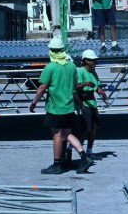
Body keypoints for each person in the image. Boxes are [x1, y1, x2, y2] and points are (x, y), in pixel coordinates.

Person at [29, 37, 94, 175]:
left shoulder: (50, 67)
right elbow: (75, 86)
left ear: (52, 51)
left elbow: (42, 87)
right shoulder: (71, 66)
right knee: (66, 134)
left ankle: (57, 164)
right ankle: (83, 156)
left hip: (55, 107)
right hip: (69, 106)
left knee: (57, 135)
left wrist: (34, 102)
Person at [73, 49, 107, 160]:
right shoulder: (80, 71)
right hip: (83, 101)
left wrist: (101, 92)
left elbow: (97, 86)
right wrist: (85, 84)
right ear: (86, 61)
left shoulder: (93, 73)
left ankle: (89, 151)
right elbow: (75, 87)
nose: (95, 63)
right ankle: (70, 147)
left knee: (93, 128)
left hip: (92, 102)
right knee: (85, 128)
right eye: (93, 60)